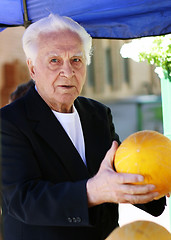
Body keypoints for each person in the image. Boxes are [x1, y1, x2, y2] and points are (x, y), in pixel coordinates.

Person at [0, 14, 166, 240]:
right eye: (54, 60)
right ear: (32, 68)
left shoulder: (98, 114)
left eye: (76, 60)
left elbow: (118, 172)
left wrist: (157, 180)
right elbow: (22, 200)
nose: (68, 72)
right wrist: (93, 191)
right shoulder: (9, 122)